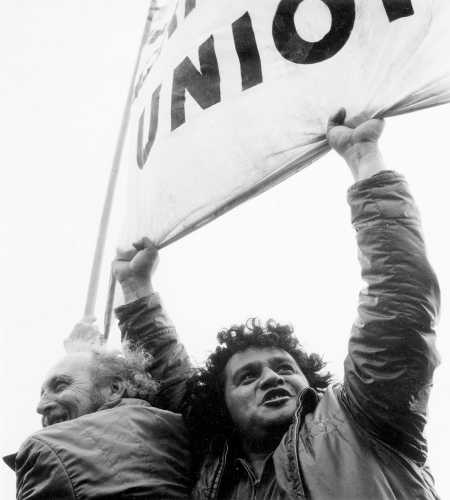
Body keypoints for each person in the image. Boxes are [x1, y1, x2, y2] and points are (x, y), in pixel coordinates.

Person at [113, 109, 441, 499]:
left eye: (285, 367)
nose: (272, 378)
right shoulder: (210, 478)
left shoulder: (366, 418)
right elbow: (170, 382)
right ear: (223, 407)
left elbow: (399, 302)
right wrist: (134, 286)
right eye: (247, 377)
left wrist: (363, 156)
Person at [3, 315, 194, 499]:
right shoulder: (179, 431)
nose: (40, 406)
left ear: (114, 388)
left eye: (60, 385)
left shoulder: (46, 452)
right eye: (42, 394)